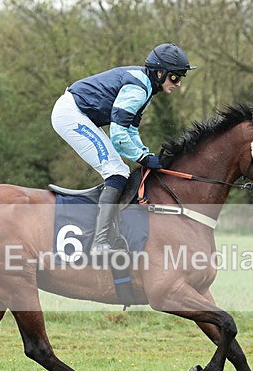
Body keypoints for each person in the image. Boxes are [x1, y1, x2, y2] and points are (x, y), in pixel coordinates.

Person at [51, 43, 196, 254]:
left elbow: (130, 132)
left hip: (78, 114)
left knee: (120, 170)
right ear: (159, 72)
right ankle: (99, 243)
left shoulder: (146, 88)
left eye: (181, 78)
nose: (178, 84)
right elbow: (118, 136)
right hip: (71, 115)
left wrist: (145, 153)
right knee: (116, 171)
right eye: (175, 77)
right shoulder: (138, 89)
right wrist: (143, 158)